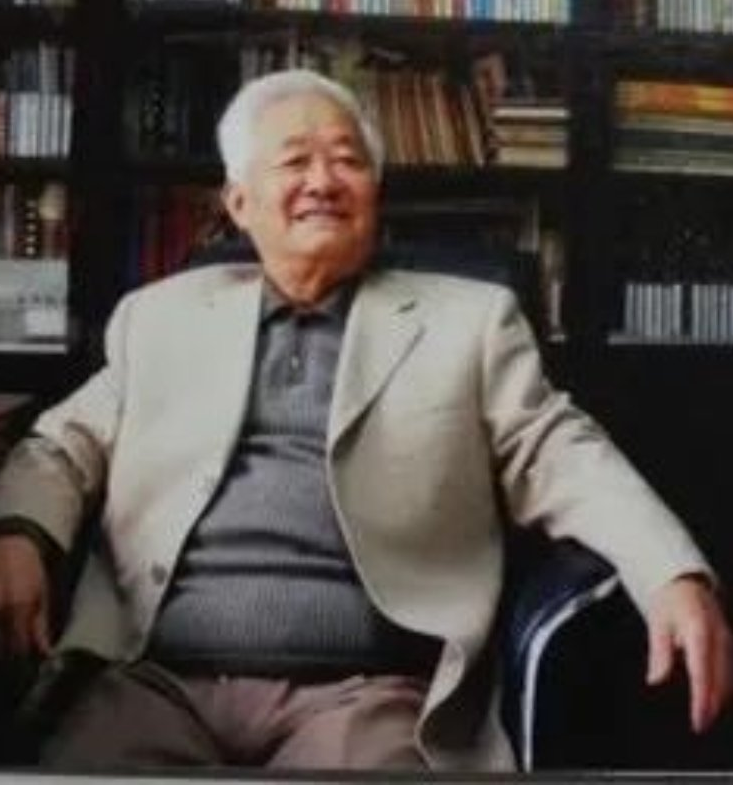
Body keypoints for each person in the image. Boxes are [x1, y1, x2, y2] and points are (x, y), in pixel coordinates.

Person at [0, 68, 729, 772]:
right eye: (294, 161)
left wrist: (668, 571)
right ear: (239, 201)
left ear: (374, 193)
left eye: (347, 161)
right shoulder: (160, 317)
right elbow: (63, 446)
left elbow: (561, 454)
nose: (323, 181)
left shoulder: (468, 323)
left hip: (360, 693)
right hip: (155, 680)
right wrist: (20, 533)